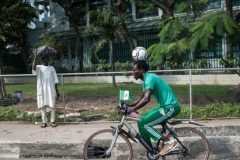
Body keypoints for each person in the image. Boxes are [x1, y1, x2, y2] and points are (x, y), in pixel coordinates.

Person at [126, 60, 181, 156]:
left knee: (146, 124)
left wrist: (132, 109)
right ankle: (151, 152)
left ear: (141, 70)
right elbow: (141, 98)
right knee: (141, 121)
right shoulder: (147, 78)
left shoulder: (149, 78)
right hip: (164, 106)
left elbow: (146, 99)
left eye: (134, 70)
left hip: (170, 107)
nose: (132, 72)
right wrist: (128, 106)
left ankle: (168, 142)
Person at [32, 53, 60, 128]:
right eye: (44, 58)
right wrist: (35, 57)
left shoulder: (52, 68)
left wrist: (57, 91)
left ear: (49, 60)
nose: (46, 60)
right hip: (42, 89)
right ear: (42, 60)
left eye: (47, 58)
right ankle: (44, 122)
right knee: (42, 106)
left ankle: (53, 121)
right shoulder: (39, 67)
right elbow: (33, 68)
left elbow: (55, 80)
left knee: (52, 105)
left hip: (51, 89)